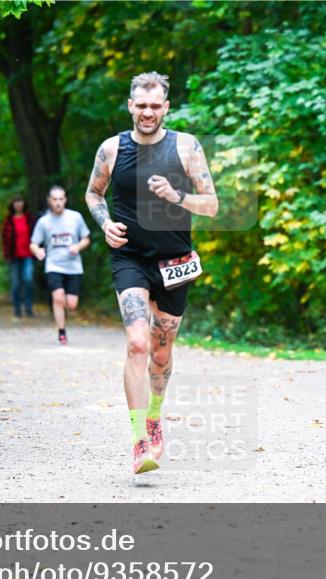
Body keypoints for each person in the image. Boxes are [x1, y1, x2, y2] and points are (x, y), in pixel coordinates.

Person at [85, 71, 218, 474]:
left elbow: (211, 205)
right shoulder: (111, 149)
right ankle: (139, 439)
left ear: (166, 107)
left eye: (155, 105)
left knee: (161, 354)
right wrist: (104, 223)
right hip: (130, 258)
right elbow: (94, 193)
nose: (147, 112)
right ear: (130, 106)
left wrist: (177, 196)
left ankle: (156, 417)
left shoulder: (186, 147)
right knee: (138, 343)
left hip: (175, 263)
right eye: (140, 105)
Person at [30, 186, 91, 345]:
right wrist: (38, 251)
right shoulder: (43, 222)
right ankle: (61, 332)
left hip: (73, 266)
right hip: (53, 265)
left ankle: (65, 309)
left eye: (61, 199)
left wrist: (77, 247)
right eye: (54, 199)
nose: (58, 202)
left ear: (65, 200)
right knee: (58, 298)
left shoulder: (75, 217)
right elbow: (33, 243)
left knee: (71, 304)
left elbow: (86, 238)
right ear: (49, 201)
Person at [1, 195, 37, 317]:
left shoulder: (30, 218)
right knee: (16, 283)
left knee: (28, 280)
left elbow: (37, 235)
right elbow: (4, 239)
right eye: (16, 202)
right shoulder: (8, 220)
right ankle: (17, 309)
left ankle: (28, 307)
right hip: (14, 256)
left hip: (28, 255)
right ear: (12, 205)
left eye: (20, 201)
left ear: (24, 203)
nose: (18, 204)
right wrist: (6, 254)